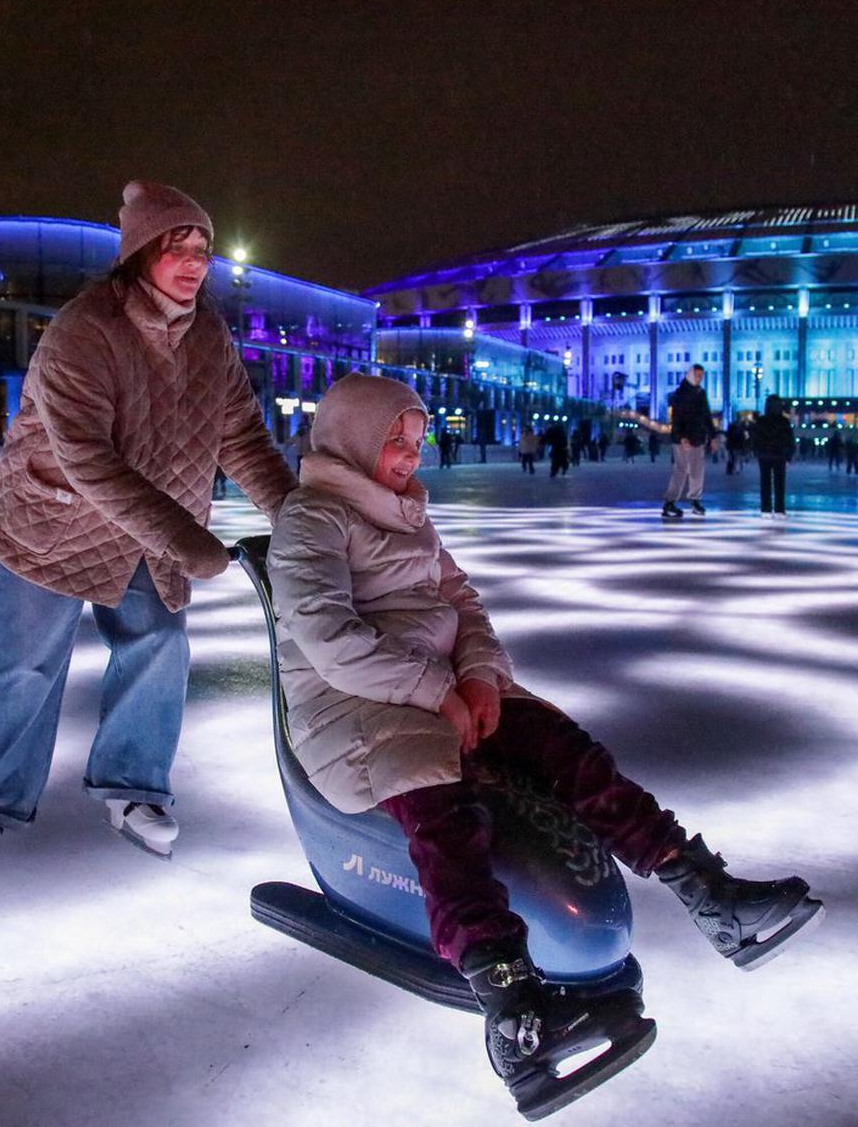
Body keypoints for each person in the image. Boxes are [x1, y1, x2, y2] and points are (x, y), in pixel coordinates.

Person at [268, 372, 823, 1117]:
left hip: (440, 687)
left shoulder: (409, 513)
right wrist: (439, 693)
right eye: (393, 440)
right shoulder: (313, 518)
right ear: (353, 439)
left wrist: (481, 677)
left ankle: (708, 892)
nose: (409, 454)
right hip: (351, 707)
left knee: (569, 753)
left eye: (415, 438)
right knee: (448, 819)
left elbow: (461, 601)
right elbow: (329, 640)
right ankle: (512, 1015)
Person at [0, 181, 297, 870]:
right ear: (141, 253)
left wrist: (297, 516)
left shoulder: (209, 335)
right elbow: (86, 458)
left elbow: (242, 437)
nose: (194, 259)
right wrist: (185, 538)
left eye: (202, 246)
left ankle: (132, 785)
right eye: (177, 245)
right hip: (51, 525)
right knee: (26, 666)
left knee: (159, 643)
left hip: (143, 525)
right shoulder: (87, 329)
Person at [661, 363, 716, 519]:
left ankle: (695, 500)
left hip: (698, 438)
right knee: (681, 469)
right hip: (683, 440)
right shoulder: (680, 393)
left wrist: (712, 436)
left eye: (701, 376)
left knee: (697, 470)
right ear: (691, 375)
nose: (699, 379)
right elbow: (676, 418)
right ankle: (670, 502)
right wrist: (681, 437)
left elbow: (706, 416)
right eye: (697, 375)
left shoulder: (700, 393)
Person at [752, 395, 796, 519]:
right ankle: (779, 509)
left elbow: (755, 439)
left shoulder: (761, 421)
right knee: (780, 483)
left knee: (765, 482)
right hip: (779, 455)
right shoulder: (784, 421)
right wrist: (789, 455)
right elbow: (789, 439)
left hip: (764, 455)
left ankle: (765, 509)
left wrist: (757, 451)